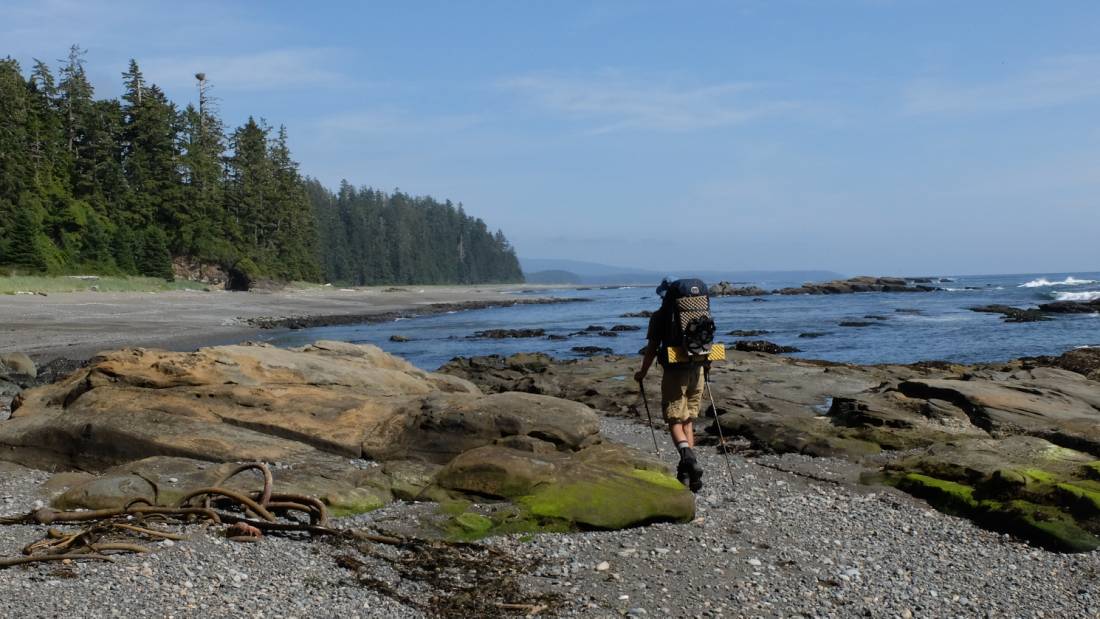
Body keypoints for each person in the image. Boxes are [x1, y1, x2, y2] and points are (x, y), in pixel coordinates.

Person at [634, 280, 706, 492]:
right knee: (688, 420)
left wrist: (642, 373)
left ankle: (688, 458)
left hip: (675, 372)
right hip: (698, 369)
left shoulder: (659, 316)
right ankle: (688, 474)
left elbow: (652, 348)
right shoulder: (699, 312)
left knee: (674, 419)